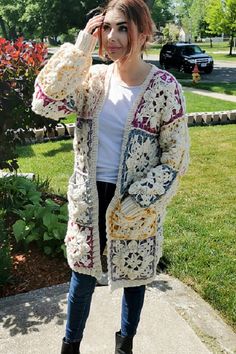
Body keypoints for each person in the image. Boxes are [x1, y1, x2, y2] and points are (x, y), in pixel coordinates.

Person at [32, 0, 189, 353]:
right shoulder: (92, 79)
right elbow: (45, 102)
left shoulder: (163, 87)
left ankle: (124, 345)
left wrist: (143, 198)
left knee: (135, 280)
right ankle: (70, 346)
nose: (113, 37)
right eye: (107, 28)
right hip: (89, 198)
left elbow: (176, 157)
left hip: (133, 200)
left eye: (123, 28)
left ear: (144, 33)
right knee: (82, 279)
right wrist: (82, 47)